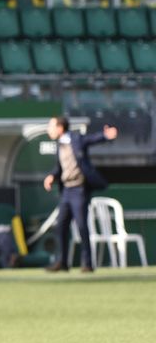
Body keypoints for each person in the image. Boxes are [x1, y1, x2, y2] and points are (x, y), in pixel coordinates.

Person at [43, 116, 117, 272]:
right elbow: (60, 167)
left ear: (60, 128)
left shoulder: (75, 139)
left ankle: (87, 264)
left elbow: (91, 139)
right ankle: (62, 262)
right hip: (66, 191)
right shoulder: (59, 146)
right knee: (61, 225)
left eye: (51, 126)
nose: (48, 129)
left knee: (82, 225)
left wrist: (105, 136)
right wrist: (52, 176)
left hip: (79, 189)